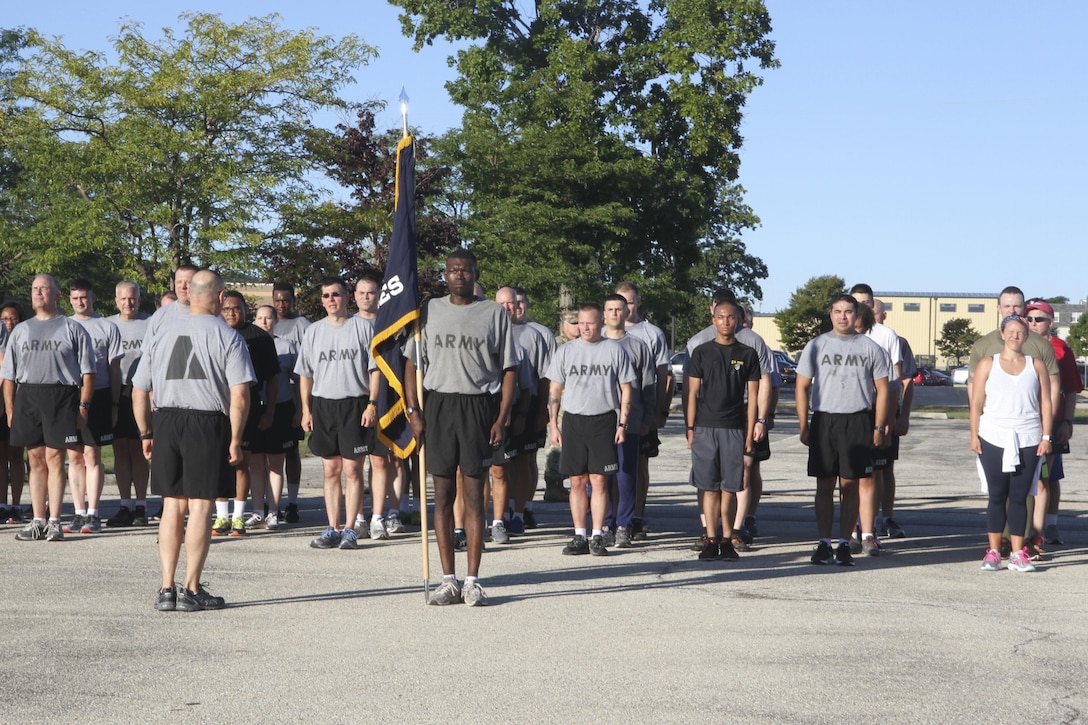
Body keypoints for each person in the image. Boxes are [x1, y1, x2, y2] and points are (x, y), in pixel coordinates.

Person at [133, 269, 254, 610]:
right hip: (207, 421)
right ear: (219, 297)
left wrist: (146, 431)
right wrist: (235, 438)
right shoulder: (227, 336)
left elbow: (139, 389)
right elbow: (240, 395)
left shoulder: (162, 331)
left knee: (173, 503)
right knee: (201, 504)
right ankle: (191, 588)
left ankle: (166, 587)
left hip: (167, 419)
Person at [404, 249, 517, 606]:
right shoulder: (428, 311)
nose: (459, 276)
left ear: (475, 274)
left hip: (477, 406)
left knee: (473, 497)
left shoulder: (494, 314)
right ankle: (447, 580)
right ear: (445, 274)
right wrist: (413, 410)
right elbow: (411, 363)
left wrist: (501, 416)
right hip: (437, 405)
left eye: (466, 271)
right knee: (441, 497)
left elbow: (510, 367)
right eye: (453, 270)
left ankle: (472, 580)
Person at [795, 294, 890, 567]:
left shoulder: (870, 348)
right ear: (831, 314)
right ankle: (824, 543)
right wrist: (804, 425)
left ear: (856, 314)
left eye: (848, 311)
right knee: (824, 485)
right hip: (825, 420)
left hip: (857, 421)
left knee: (850, 486)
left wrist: (879, 427)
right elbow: (801, 386)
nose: (843, 316)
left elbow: (883, 389)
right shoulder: (816, 345)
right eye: (837, 311)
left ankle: (845, 543)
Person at [3, 275, 95, 542]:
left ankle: (54, 521)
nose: (38, 292)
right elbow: (9, 376)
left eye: (44, 288)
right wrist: (10, 408)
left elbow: (88, 373)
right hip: (28, 396)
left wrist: (83, 406)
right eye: (34, 289)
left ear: (56, 294)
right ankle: (38, 520)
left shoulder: (72, 328)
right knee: (35, 459)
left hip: (61, 395)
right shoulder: (20, 330)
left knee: (55, 458)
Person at [682, 289, 774, 551]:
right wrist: (690, 428)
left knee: (730, 487)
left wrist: (755, 425)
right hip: (705, 427)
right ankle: (710, 538)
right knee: (708, 486)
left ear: (739, 319)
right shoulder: (701, 351)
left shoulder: (748, 352)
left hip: (734, 428)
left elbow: (754, 395)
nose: (725, 322)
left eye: (731, 317)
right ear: (713, 318)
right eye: (720, 317)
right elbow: (692, 394)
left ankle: (728, 535)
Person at [295, 278, 379, 551]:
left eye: (336, 295)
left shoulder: (363, 328)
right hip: (323, 405)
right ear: (322, 300)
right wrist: (306, 409)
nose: (331, 300)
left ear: (347, 297)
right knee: (330, 469)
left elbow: (375, 370)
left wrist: (372, 404)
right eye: (326, 296)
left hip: (354, 404)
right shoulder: (314, 331)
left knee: (353, 469)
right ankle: (331, 527)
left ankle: (350, 529)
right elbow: (305, 374)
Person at [546, 302, 635, 557]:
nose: (585, 327)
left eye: (590, 323)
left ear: (601, 323)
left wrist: (622, 424)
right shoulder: (566, 351)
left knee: (599, 480)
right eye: (581, 323)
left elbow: (627, 389)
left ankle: (598, 535)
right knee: (576, 481)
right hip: (574, 421)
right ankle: (579, 535)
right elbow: (554, 389)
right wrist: (553, 424)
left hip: (603, 421)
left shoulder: (613, 350)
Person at [969, 314, 1052, 572]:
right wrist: (974, 434)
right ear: (1002, 333)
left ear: (1026, 336)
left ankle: (1017, 553)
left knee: (1019, 496)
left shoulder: (1035, 364)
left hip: (1027, 437)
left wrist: (1046, 436)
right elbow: (977, 402)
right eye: (1011, 331)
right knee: (996, 495)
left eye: (1020, 332)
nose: (1015, 336)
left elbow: (1046, 402)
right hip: (993, 436)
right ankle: (993, 552)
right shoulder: (987, 363)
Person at [214, 291, 279, 537]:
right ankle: (222, 517)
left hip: (249, 406)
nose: (231, 313)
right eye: (227, 308)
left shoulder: (259, 338)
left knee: (242, 460)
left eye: (236, 308)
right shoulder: (215, 334)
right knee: (220, 463)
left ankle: (239, 517)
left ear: (245, 310)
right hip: (219, 406)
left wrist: (270, 411)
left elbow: (272, 379)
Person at [64, 278, 123, 535]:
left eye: (84, 297)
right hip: (68, 396)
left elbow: (114, 369)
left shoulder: (107, 326)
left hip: (98, 395)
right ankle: (78, 512)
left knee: (92, 455)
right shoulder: (63, 325)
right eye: (75, 298)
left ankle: (94, 513)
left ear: (93, 297)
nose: (80, 302)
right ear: (69, 300)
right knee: (74, 456)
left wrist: (114, 403)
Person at [615, 282, 671, 540]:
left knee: (638, 465)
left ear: (638, 303)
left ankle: (636, 516)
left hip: (640, 411)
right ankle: (615, 517)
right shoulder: (606, 333)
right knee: (613, 467)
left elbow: (662, 376)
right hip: (611, 414)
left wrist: (659, 411)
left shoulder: (652, 334)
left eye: (629, 301)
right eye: (620, 301)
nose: (625, 307)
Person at [1023, 298, 1081, 546]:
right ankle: (1023, 526)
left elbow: (1070, 389)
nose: (1033, 323)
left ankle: (1050, 525)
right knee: (1027, 477)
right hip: (1024, 421)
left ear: (1051, 322)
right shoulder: (1018, 345)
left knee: (1048, 477)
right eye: (1029, 318)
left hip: (1053, 423)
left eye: (1039, 319)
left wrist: (1067, 421)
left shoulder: (1060, 349)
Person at [601, 293, 655, 548]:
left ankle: (623, 525)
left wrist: (647, 417)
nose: (614, 314)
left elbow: (647, 386)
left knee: (625, 475)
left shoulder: (638, 346)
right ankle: (603, 524)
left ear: (626, 313)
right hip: (598, 421)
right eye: (610, 309)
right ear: (604, 314)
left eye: (619, 309)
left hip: (631, 422)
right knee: (600, 477)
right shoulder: (593, 344)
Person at [353, 272, 400, 539]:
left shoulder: (389, 325)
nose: (366, 296)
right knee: (355, 464)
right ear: (355, 295)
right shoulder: (348, 325)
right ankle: (358, 517)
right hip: (356, 401)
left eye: (371, 292)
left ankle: (380, 516)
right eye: (361, 292)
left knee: (382, 461)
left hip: (385, 398)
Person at [244, 304, 298, 531]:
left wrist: (300, 409)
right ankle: (258, 511)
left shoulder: (286, 346)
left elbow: (298, 380)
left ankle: (274, 512)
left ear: (276, 320)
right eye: (260, 318)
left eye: (269, 318)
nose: (264, 322)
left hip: (281, 408)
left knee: (276, 463)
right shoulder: (248, 344)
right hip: (255, 406)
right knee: (256, 464)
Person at [106, 281, 151, 527]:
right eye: (123, 299)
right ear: (116, 301)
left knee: (139, 449)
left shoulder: (150, 323)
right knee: (120, 449)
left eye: (132, 298)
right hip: (117, 392)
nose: (128, 302)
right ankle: (126, 504)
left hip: (143, 391)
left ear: (138, 299)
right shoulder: (108, 325)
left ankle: (142, 505)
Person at [271, 282, 311, 524]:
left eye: (285, 300)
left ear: (293, 300)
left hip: (292, 396)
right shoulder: (266, 323)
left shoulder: (301, 325)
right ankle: (268, 501)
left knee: (291, 452)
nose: (281, 304)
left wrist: (302, 406)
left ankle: (292, 502)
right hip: (269, 400)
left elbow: (306, 368)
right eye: (277, 300)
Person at [0, 301, 25, 523]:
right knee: (1, 457)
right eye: (5, 319)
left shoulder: (24, 340)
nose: (9, 323)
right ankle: (2, 504)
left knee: (16, 456)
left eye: (13, 318)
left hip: (20, 404)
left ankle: (16, 505)